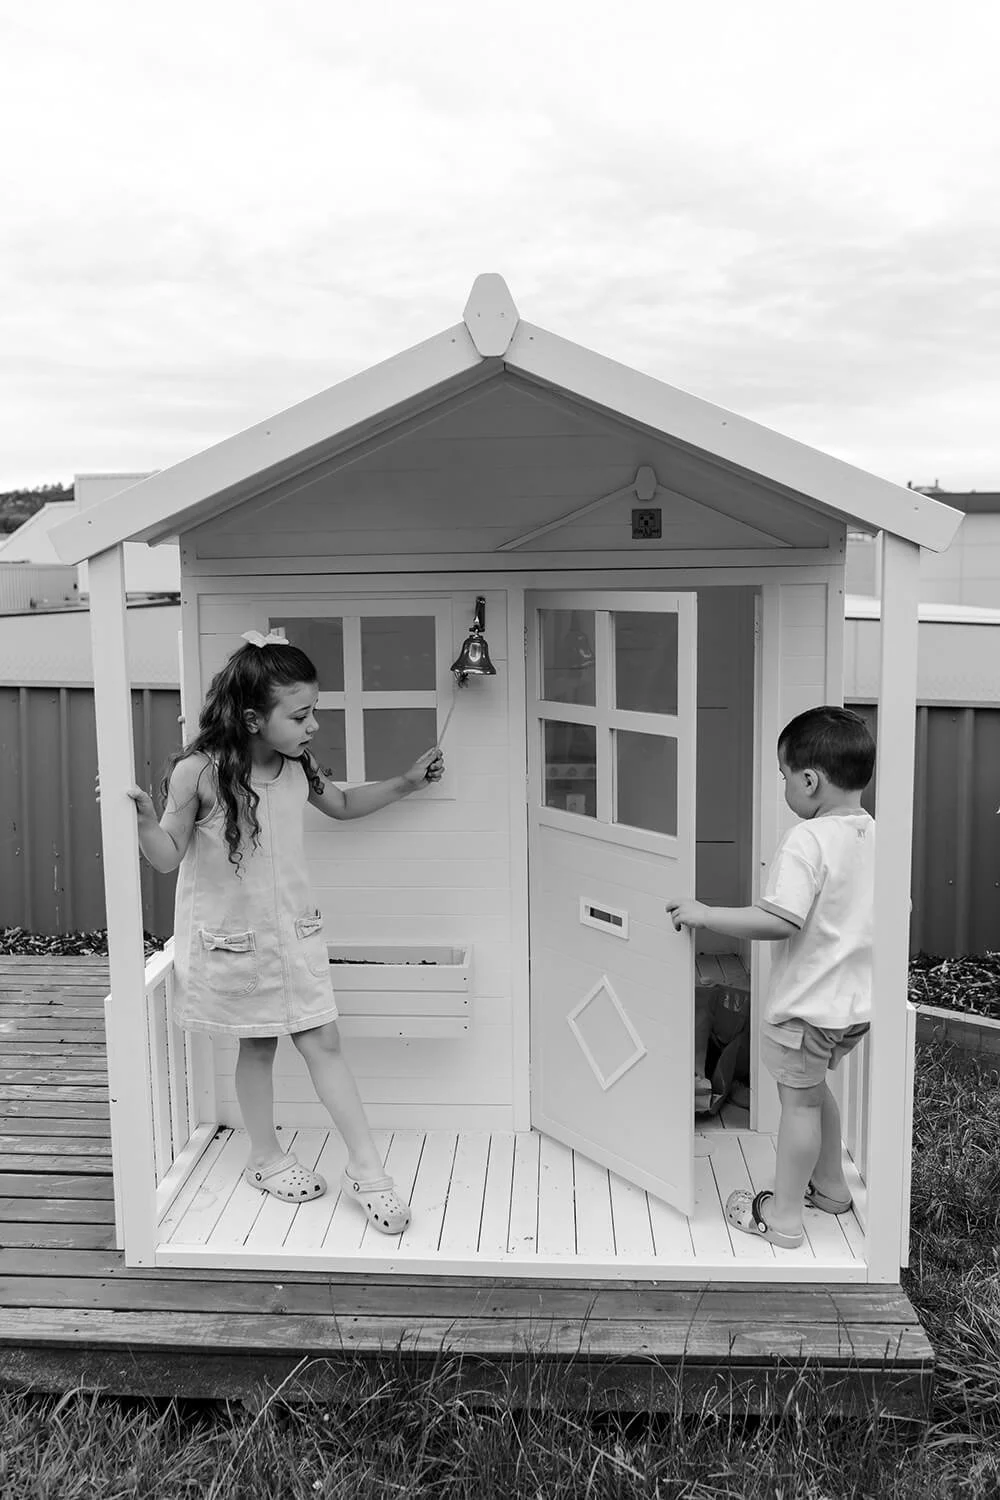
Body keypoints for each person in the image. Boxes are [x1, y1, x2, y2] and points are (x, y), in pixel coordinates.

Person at [127, 631, 444, 1235]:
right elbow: (167, 857)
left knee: (324, 1042)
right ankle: (265, 1158)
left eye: (313, 711)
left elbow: (344, 804)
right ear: (252, 718)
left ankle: (368, 1171)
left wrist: (407, 783)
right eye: (300, 715)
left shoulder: (299, 765)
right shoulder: (199, 772)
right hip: (234, 939)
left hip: (295, 932)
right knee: (258, 1045)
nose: (313, 726)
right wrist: (144, 822)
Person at [665, 705, 876, 1249]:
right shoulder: (874, 836)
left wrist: (706, 914)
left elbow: (779, 920)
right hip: (853, 1008)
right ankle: (829, 1187)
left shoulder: (808, 840)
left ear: (810, 780)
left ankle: (783, 1216)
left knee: (799, 1104)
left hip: (806, 1008)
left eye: (784, 777)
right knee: (813, 1092)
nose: (784, 787)